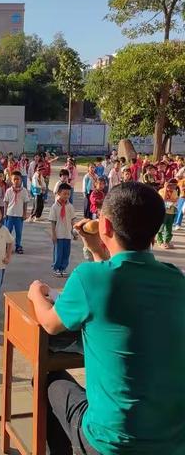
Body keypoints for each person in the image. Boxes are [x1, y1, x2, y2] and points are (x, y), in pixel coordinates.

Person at [27, 182, 185, 455]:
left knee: (47, 378)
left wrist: (35, 294)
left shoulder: (89, 277)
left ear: (106, 226)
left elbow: (51, 323)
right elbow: (123, 284)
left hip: (111, 441)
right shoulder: (175, 279)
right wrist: (99, 251)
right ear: (156, 230)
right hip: (171, 439)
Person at [49, 183, 75, 277]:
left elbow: (72, 220)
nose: (66, 196)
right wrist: (53, 234)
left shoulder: (70, 207)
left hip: (67, 234)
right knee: (58, 253)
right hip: (58, 234)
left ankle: (63, 268)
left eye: (68, 194)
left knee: (66, 253)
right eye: (64, 193)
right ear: (59, 193)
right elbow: (53, 221)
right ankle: (56, 267)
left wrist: (74, 232)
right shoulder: (54, 207)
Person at [4, 171, 29, 254]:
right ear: (11, 180)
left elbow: (25, 203)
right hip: (10, 214)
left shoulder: (24, 191)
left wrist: (25, 214)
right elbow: (6, 202)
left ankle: (18, 246)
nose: (16, 181)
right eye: (14, 179)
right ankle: (7, 246)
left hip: (19, 215)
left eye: (18, 179)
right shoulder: (8, 191)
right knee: (8, 231)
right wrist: (5, 213)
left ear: (21, 180)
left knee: (18, 232)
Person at [157, 179, 178, 249]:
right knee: (161, 227)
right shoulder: (161, 191)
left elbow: (176, 200)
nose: (173, 187)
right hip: (163, 211)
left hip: (171, 211)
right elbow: (163, 199)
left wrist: (168, 200)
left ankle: (166, 241)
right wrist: (165, 188)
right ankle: (160, 241)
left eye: (175, 185)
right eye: (171, 185)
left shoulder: (174, 191)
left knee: (169, 227)